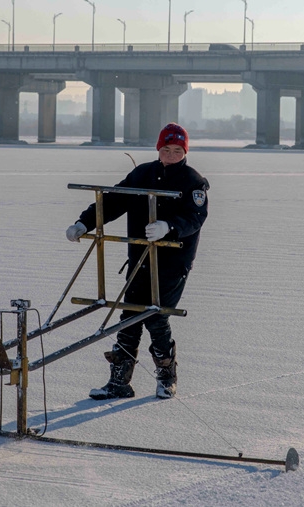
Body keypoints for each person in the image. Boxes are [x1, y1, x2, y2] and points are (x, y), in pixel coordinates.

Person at [65, 123, 209, 400]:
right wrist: (85, 223)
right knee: (129, 314)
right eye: (166, 149)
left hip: (173, 261)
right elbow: (115, 201)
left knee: (156, 315)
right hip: (140, 256)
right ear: (158, 149)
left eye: (177, 150)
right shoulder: (143, 173)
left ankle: (167, 377)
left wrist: (169, 225)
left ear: (185, 151)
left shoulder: (194, 181)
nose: (170, 154)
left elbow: (196, 217)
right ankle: (119, 381)